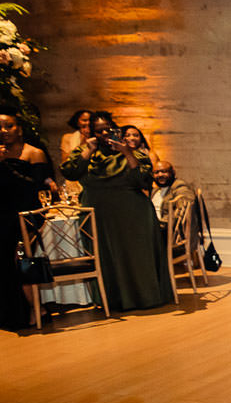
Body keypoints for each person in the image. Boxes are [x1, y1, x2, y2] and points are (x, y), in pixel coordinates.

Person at [60, 120, 175, 312]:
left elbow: (143, 180)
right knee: (106, 257)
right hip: (98, 214)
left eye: (109, 130)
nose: (105, 134)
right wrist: (88, 150)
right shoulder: (84, 152)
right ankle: (113, 300)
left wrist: (126, 152)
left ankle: (146, 297)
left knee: (138, 257)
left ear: (117, 131)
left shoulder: (135, 153)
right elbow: (70, 172)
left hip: (133, 214)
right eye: (99, 131)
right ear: (92, 133)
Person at [0, 107, 53, 330]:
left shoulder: (34, 153)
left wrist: (2, 165)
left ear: (19, 128)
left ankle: (36, 309)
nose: (3, 131)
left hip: (27, 214)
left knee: (20, 259)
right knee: (1, 263)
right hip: (0, 215)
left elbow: (33, 186)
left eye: (8, 126)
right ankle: (12, 315)